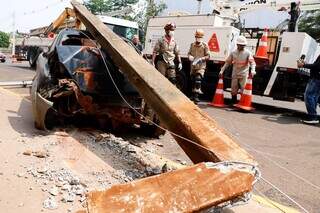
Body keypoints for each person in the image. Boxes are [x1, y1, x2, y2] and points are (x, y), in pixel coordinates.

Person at [219, 35, 256, 104]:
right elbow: (227, 62)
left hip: (244, 74)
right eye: (241, 45)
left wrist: (253, 70)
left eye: (243, 45)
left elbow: (252, 63)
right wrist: (222, 70)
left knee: (244, 89)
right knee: (233, 89)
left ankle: (243, 103)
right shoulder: (233, 53)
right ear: (237, 45)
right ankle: (233, 102)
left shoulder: (248, 53)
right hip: (235, 73)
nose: (242, 46)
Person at [187, 29, 210, 103]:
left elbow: (208, 56)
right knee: (193, 80)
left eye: (200, 37)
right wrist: (189, 56)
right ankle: (193, 95)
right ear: (195, 37)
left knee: (198, 79)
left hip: (201, 66)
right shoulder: (192, 45)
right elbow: (189, 53)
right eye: (197, 37)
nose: (198, 38)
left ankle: (196, 97)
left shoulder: (204, 45)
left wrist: (202, 58)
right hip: (193, 66)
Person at [297, 54, 320, 124]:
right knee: (314, 97)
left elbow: (317, 66)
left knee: (308, 96)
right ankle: (313, 116)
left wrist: (303, 65)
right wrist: (305, 64)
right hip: (317, 78)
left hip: (316, 78)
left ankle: (312, 117)